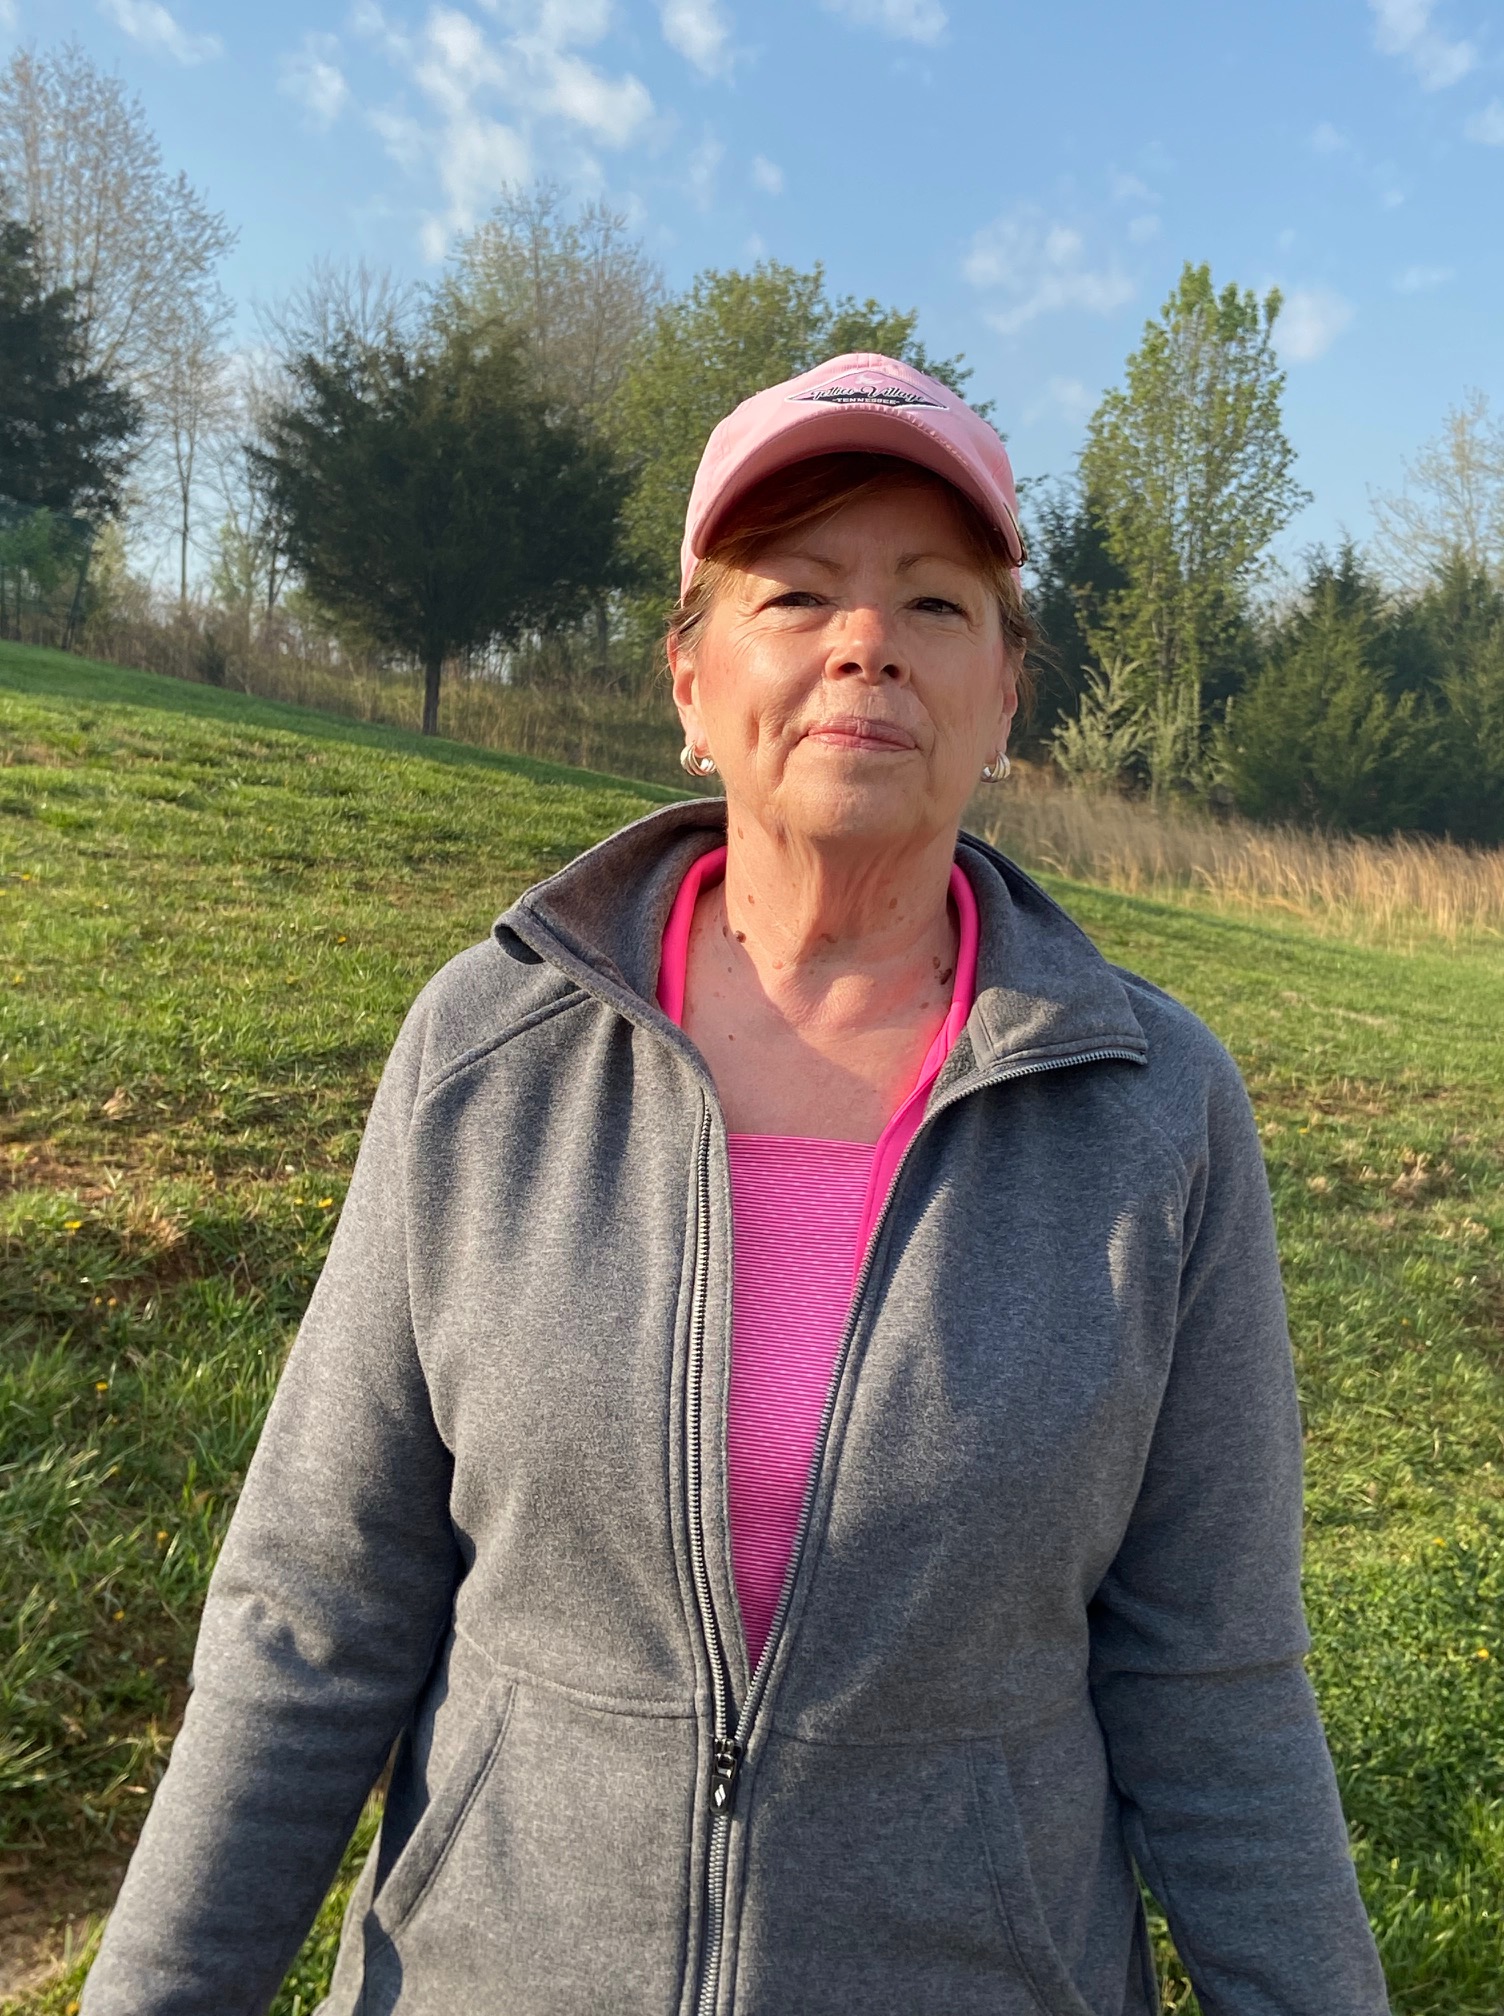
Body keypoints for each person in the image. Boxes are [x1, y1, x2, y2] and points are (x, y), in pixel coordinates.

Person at [81, 354, 1388, 2016]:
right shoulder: (487, 1050)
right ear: (692, 681)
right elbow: (312, 1618)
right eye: (798, 592)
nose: (868, 642)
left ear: (1004, 697)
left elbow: (1215, 1680)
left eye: (936, 602)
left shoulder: (1157, 1112)